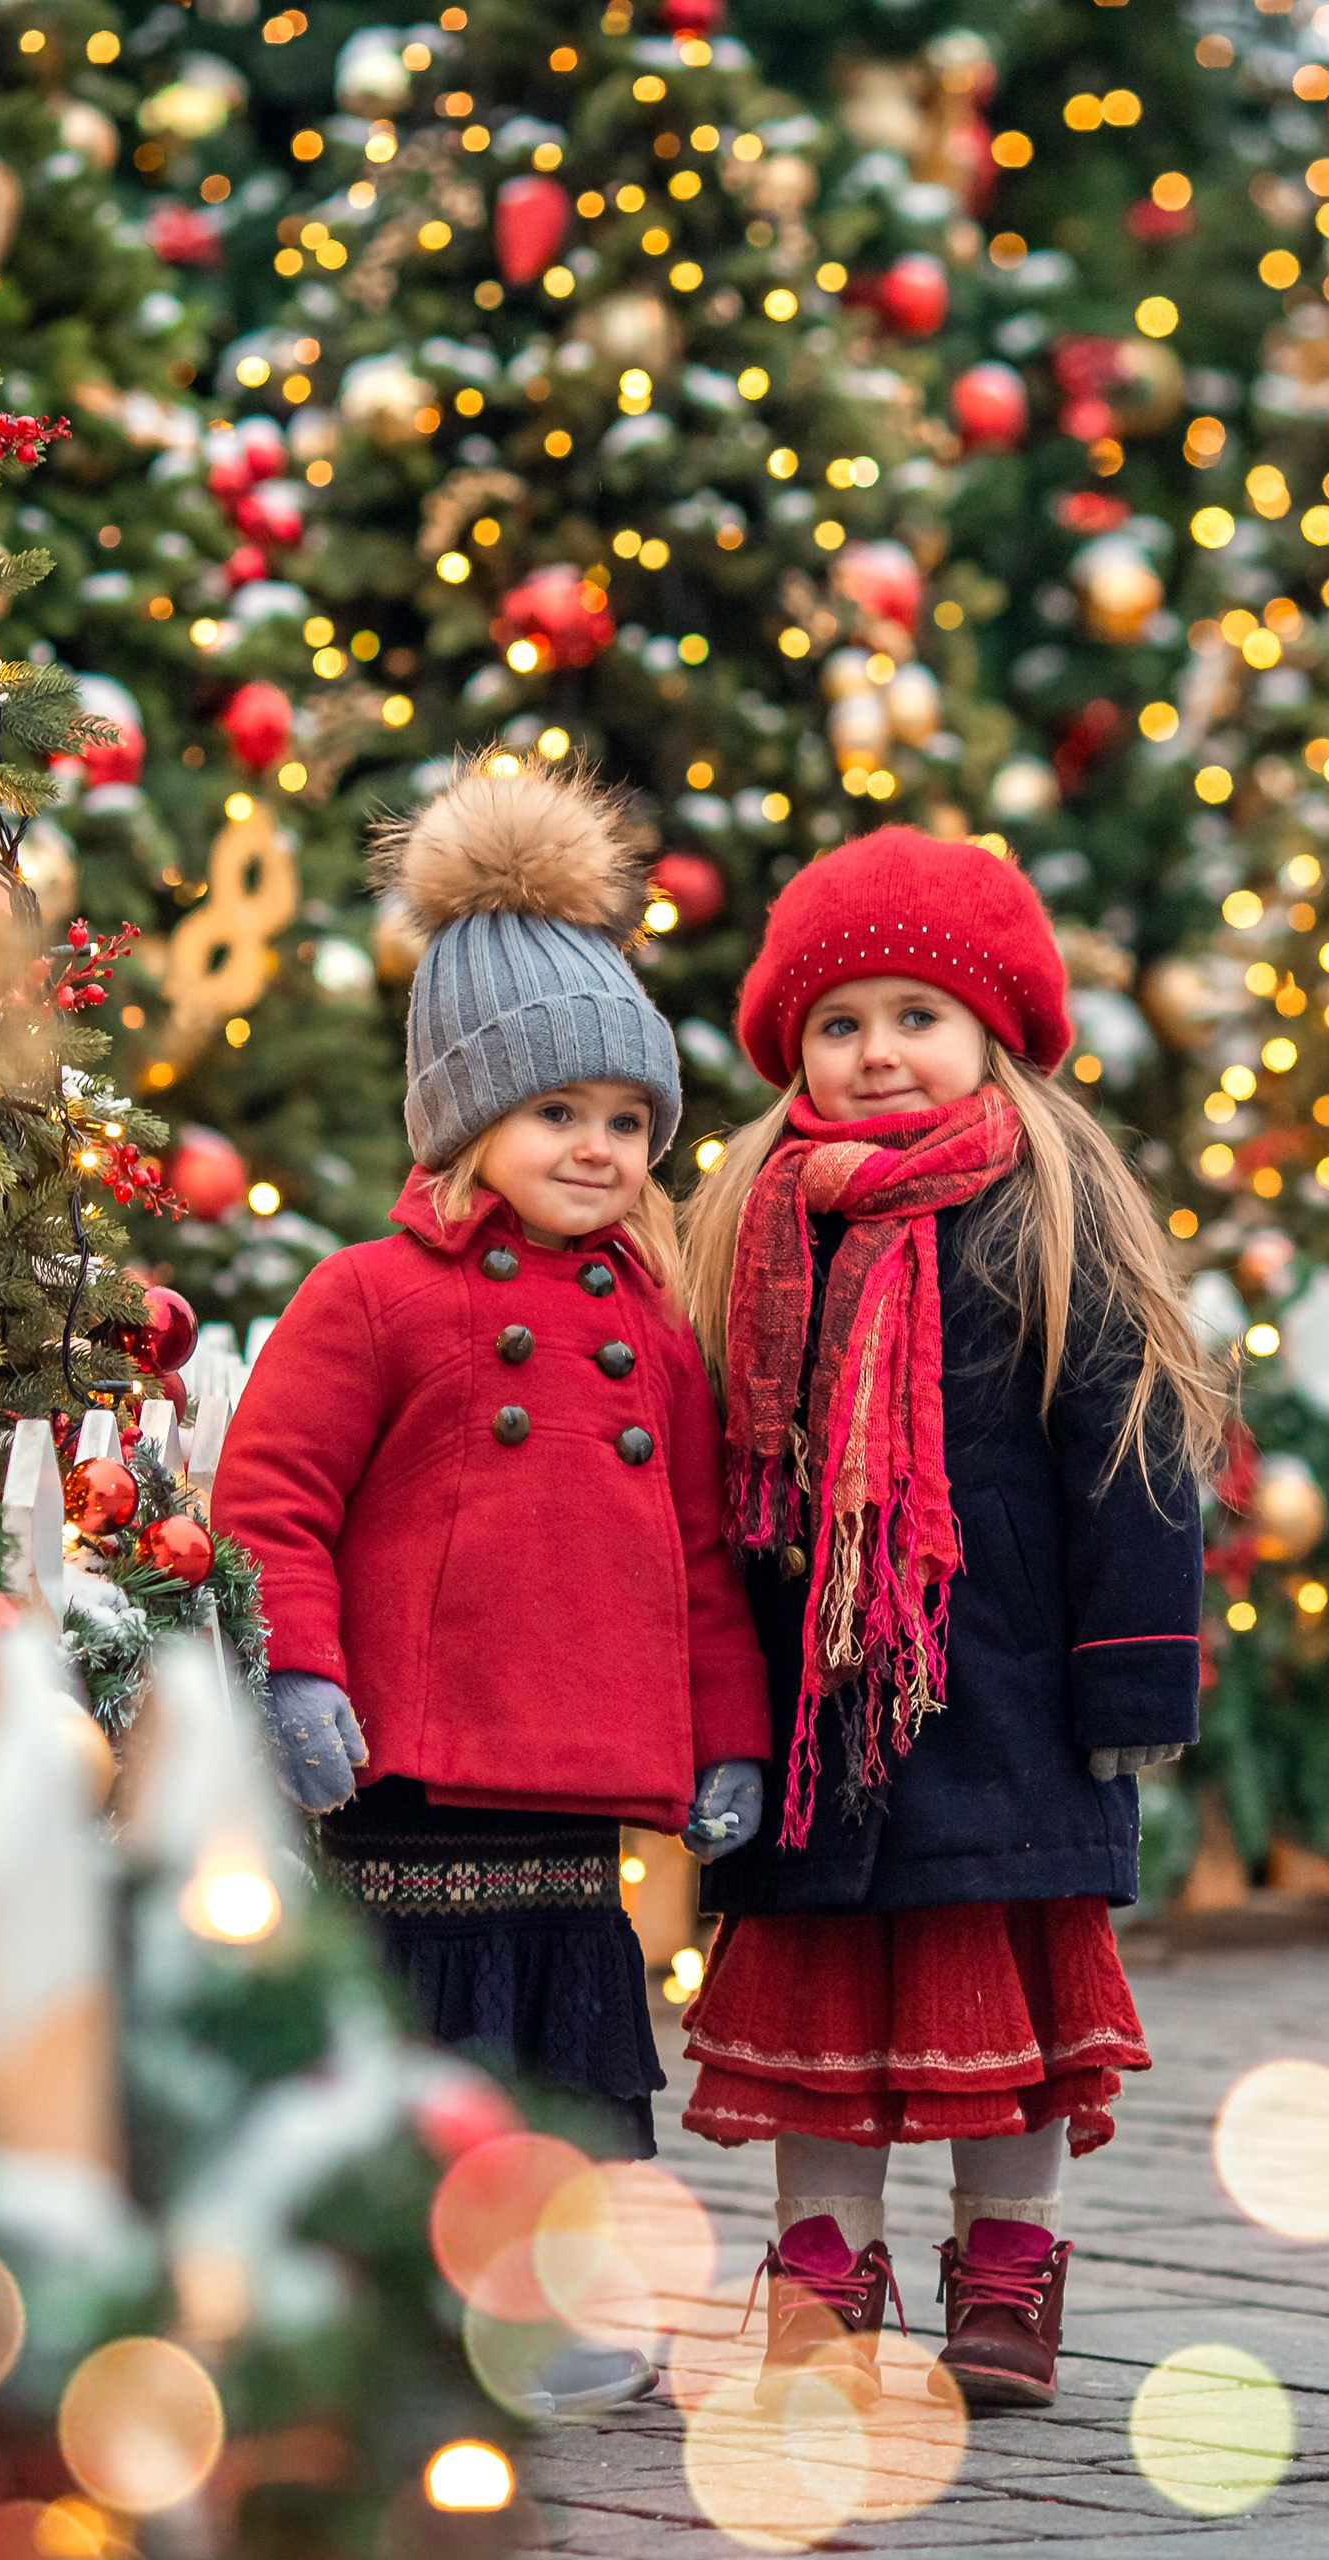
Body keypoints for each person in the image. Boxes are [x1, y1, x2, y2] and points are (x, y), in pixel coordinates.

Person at [211, 755, 769, 2417]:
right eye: (557, 1115)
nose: (597, 1151)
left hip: (577, 1788)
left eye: (624, 1123)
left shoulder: (655, 1327)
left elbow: (699, 1561)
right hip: (413, 1775)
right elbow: (271, 1499)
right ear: (469, 1119)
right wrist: (300, 1673)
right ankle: (381, 2301)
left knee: (571, 2055)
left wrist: (722, 1739)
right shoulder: (374, 1297)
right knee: (422, 2052)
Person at [675, 827, 1225, 2416]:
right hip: (807, 1704)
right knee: (816, 1996)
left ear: (995, 1032)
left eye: (917, 1015)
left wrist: (1132, 1676)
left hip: (1002, 1694)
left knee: (1009, 1996)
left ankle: (1008, 2265)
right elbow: (716, 1468)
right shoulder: (761, 1222)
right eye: (840, 1025)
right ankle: (827, 2272)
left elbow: (1134, 1451)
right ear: (793, 1053)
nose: (877, 1055)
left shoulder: (1051, 1212)